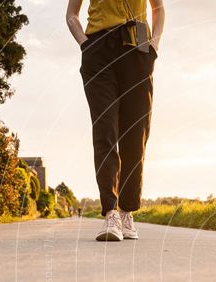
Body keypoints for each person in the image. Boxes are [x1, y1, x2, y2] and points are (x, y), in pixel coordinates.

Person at [66, 0, 165, 241]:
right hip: (98, 51)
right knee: (104, 129)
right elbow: (71, 14)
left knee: (136, 133)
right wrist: (85, 45)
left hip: (138, 47)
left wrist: (154, 45)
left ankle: (127, 212)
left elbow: (159, 9)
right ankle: (110, 212)